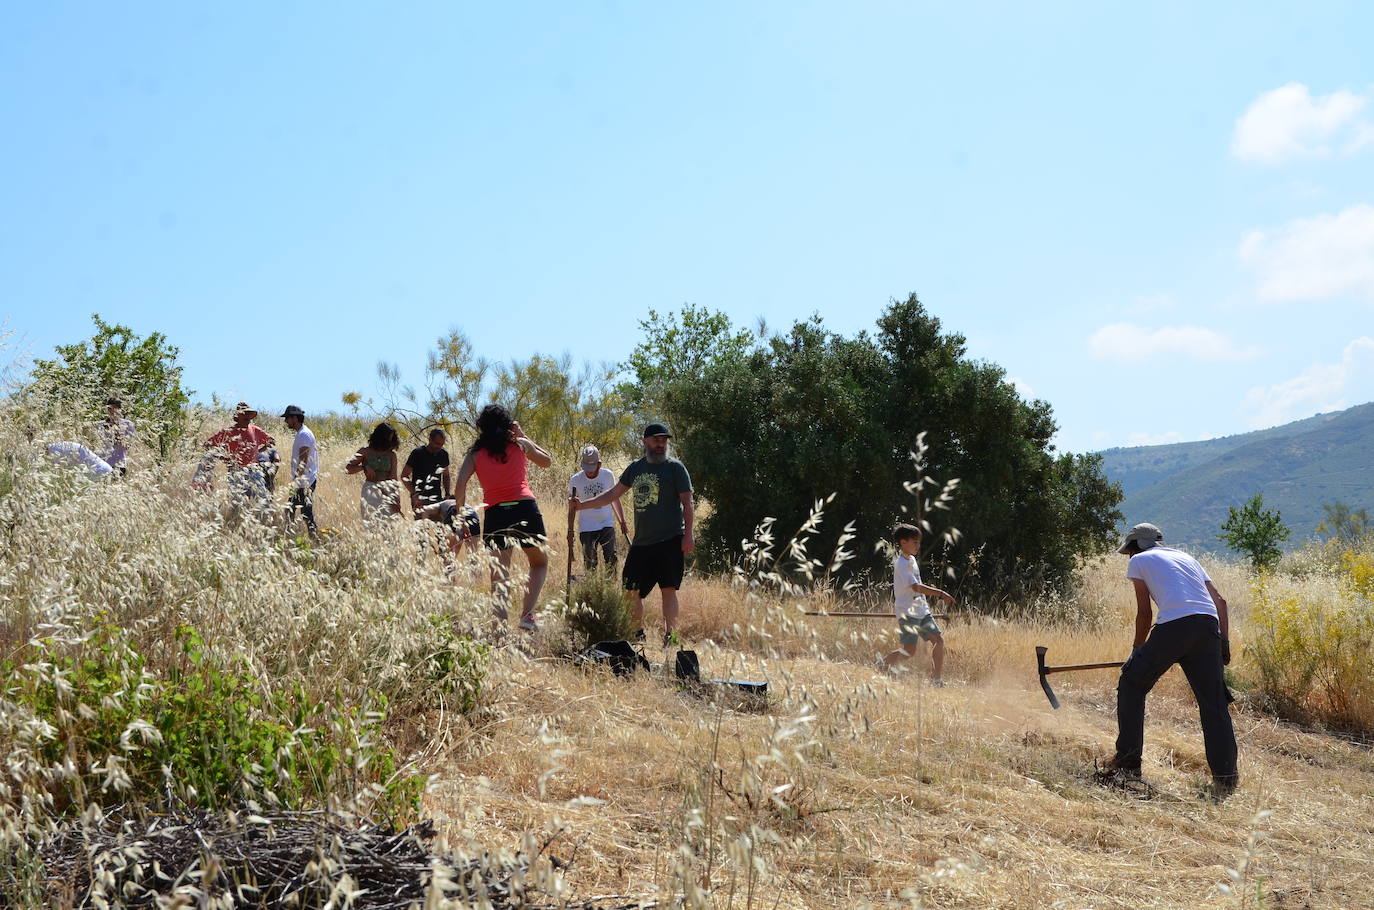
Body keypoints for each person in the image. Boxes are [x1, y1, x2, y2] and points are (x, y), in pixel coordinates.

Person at [1102, 522, 1239, 797]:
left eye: (1128, 550)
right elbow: (1220, 602)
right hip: (1208, 627)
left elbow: (1144, 613)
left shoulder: (1139, 560)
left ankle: (1127, 764)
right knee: (1214, 705)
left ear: (1135, 546)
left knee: (1132, 684)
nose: (1129, 556)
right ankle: (1226, 777)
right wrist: (1223, 642)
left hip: (1174, 627)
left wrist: (1137, 651)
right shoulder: (1188, 558)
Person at [570, 422, 694, 645]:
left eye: (664, 440)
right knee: (629, 590)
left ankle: (671, 636)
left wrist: (689, 535)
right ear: (645, 442)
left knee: (668, 589)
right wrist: (581, 506)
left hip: (671, 539)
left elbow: (687, 501)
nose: (660, 444)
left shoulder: (675, 468)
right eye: (656, 440)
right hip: (642, 543)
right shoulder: (636, 468)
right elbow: (611, 495)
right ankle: (637, 635)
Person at [455, 404, 552, 631]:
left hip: (496, 513)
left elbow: (460, 484)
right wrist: (523, 435)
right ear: (507, 424)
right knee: (539, 562)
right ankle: (527, 615)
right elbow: (547, 461)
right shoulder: (519, 444)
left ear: (482, 428)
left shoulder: (475, 454)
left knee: (499, 575)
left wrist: (461, 514)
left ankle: (499, 630)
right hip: (525, 507)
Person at [877, 524, 954, 684]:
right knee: (909, 651)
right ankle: (881, 665)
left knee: (938, 641)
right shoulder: (901, 564)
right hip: (907, 612)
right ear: (903, 542)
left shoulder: (911, 560)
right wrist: (941, 593)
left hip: (922, 610)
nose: (918, 546)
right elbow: (916, 587)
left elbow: (918, 586)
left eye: (919, 543)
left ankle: (936, 680)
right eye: (914, 542)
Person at [567, 444, 628, 572]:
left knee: (611, 558)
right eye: (586, 467)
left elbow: (614, 498)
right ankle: (591, 589)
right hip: (586, 526)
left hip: (606, 523)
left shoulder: (607, 475)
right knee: (590, 563)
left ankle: (611, 588)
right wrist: (570, 530)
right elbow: (572, 507)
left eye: (592, 467)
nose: (589, 471)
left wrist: (622, 520)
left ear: (599, 464)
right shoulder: (576, 480)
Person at [205, 403, 275, 511]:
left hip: (254, 470)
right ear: (238, 416)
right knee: (238, 505)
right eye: (244, 414)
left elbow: (271, 440)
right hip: (236, 471)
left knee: (264, 501)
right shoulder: (228, 432)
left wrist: (258, 450)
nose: (247, 417)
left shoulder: (255, 429)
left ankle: (261, 524)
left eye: (249, 414)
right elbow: (208, 444)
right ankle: (237, 525)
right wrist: (225, 459)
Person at [345, 422, 402, 525]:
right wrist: (363, 467)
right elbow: (348, 469)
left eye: (391, 438)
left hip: (387, 491)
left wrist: (396, 500)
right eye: (388, 437)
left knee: (390, 524)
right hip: (370, 490)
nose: (389, 440)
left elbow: (394, 478)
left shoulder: (391, 455)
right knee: (371, 523)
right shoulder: (365, 451)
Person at [280, 405, 319, 539]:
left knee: (304, 513)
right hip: (303, 481)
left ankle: (314, 540)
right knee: (293, 510)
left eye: (288, 418)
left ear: (295, 418)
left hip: (304, 482)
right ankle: (290, 537)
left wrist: (296, 480)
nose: (286, 421)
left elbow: (303, 460)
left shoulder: (303, 434)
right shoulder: (302, 433)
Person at [402, 428, 452, 516]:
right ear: (429, 439)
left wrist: (447, 493)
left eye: (441, 444)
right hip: (419, 500)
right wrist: (414, 494)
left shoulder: (443, 454)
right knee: (421, 527)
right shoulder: (417, 453)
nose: (439, 447)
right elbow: (404, 476)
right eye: (437, 443)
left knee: (437, 528)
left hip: (437, 498)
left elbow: (446, 475)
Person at [97, 398, 135, 476]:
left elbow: (127, 445)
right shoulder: (99, 425)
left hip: (119, 464)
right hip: (102, 463)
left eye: (116, 408)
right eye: (110, 408)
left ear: (120, 410)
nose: (113, 411)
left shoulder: (128, 424)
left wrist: (116, 427)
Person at [45, 441, 115, 479]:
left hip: (99, 472)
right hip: (104, 469)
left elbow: (57, 472)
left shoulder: (56, 452)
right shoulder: (58, 446)